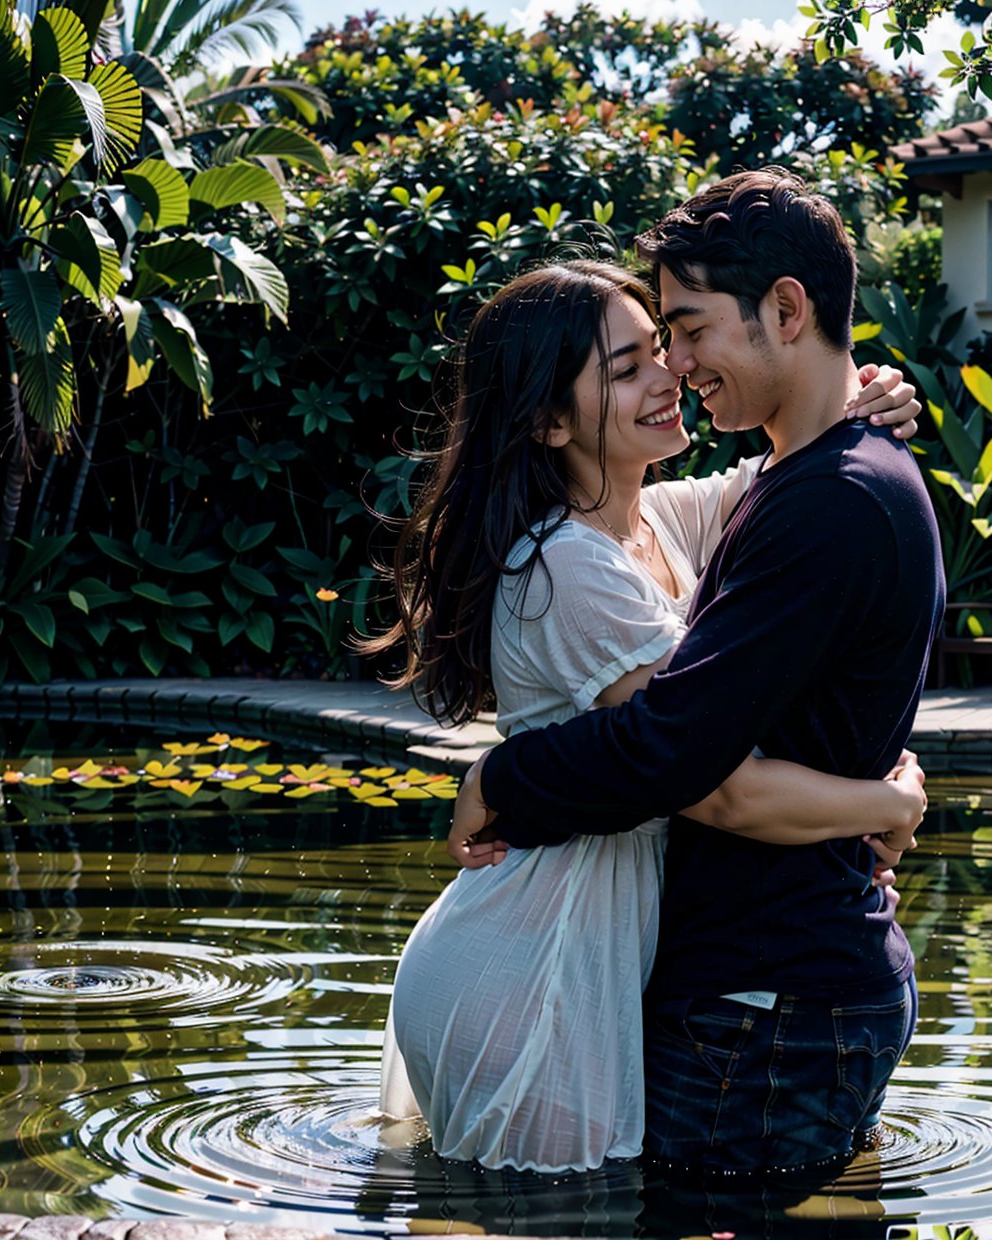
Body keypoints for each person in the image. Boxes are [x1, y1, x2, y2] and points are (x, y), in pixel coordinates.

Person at [372, 251, 927, 1174]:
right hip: (534, 968)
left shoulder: (658, 521)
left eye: (659, 348)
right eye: (625, 369)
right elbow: (703, 777)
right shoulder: (564, 568)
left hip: (590, 951)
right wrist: (888, 805)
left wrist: (866, 398)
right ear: (550, 420)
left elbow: (795, 460)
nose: (670, 374)